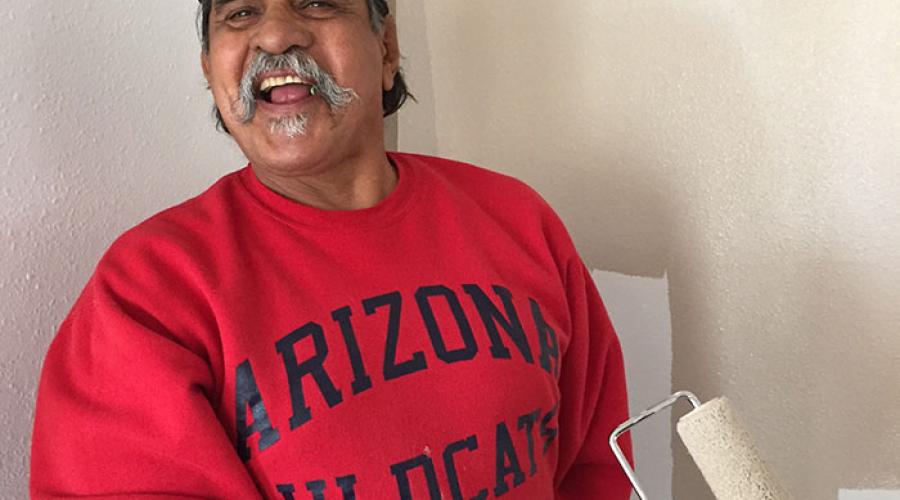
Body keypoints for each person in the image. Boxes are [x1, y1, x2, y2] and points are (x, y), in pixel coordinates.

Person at [30, 0, 633, 498]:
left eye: (317, 3)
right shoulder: (148, 291)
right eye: (239, 14)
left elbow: (599, 466)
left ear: (388, 49)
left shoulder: (519, 221)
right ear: (211, 70)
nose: (274, 33)